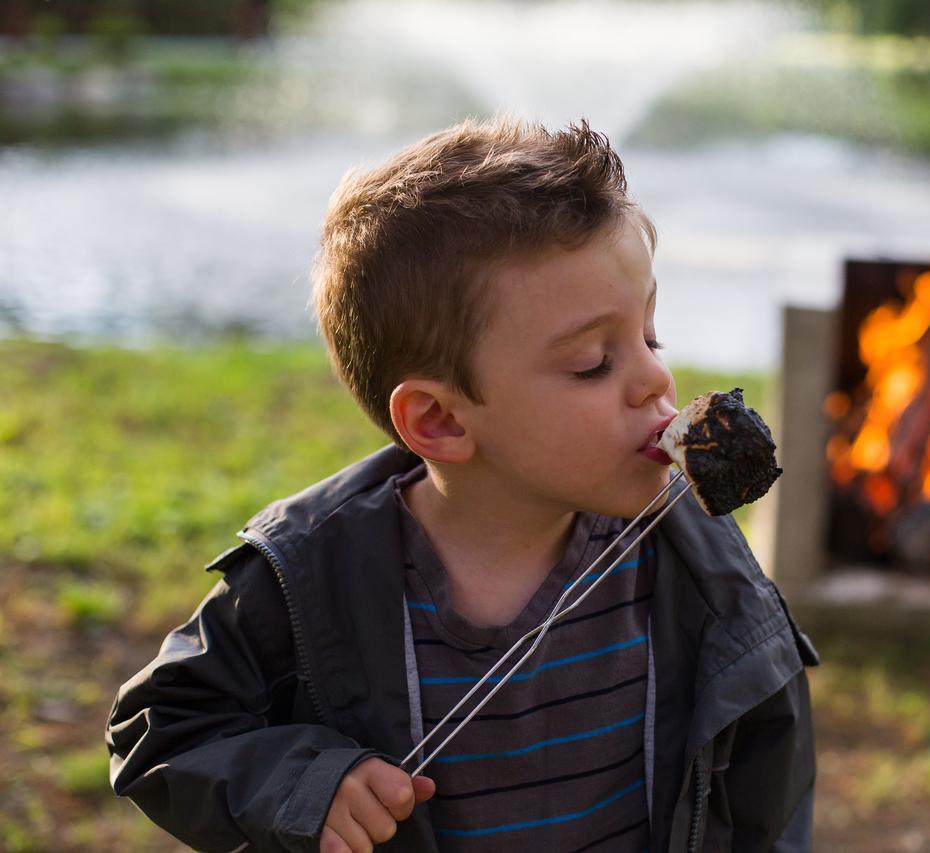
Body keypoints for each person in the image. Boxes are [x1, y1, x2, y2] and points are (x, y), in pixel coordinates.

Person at [106, 117, 818, 852]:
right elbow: (162, 728)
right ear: (441, 420)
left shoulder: (698, 559)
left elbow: (767, 792)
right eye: (592, 363)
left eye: (650, 336)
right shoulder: (309, 576)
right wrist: (305, 782)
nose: (656, 379)